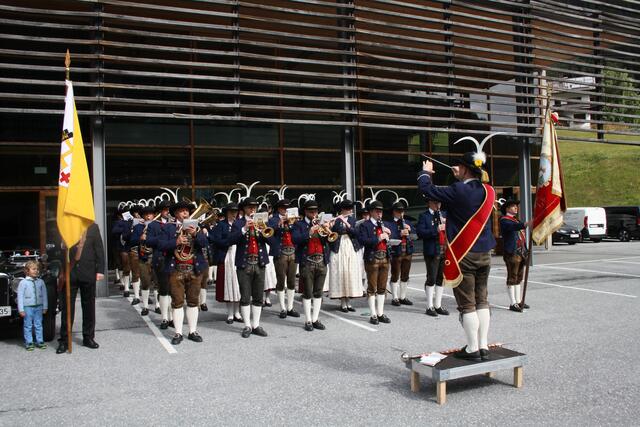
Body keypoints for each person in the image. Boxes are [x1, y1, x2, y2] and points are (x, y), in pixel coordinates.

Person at [418, 147, 496, 361]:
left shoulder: (457, 190)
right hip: (484, 253)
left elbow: (427, 190)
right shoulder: (489, 191)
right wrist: (461, 175)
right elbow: (467, 189)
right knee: (482, 299)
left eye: (460, 167)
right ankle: (482, 345)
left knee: (467, 304)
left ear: (464, 169)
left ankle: (472, 348)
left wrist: (426, 172)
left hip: (465, 254)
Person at [157, 201, 208, 345]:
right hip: (176, 269)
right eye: (181, 211)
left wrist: (196, 234)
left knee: (193, 301)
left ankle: (192, 331)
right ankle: (178, 333)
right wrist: (176, 241)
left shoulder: (196, 226)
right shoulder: (168, 228)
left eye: (187, 211)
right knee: (177, 302)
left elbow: (205, 243)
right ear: (175, 214)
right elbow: (160, 245)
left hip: (194, 269)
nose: (185, 213)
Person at [57, 222, 105, 353]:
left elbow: (99, 249)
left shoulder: (92, 227)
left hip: (88, 271)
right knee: (67, 308)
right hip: (70, 271)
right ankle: (65, 340)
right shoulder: (66, 224)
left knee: (89, 306)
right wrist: (61, 245)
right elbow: (59, 249)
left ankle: (88, 337)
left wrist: (100, 270)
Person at [230, 197, 270, 338]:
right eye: (250, 207)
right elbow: (231, 240)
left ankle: (256, 325)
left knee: (258, 296)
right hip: (244, 263)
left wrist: (263, 229)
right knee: (245, 296)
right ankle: (247, 325)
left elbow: (271, 240)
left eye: (255, 207)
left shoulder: (262, 222)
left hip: (259, 262)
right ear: (244, 209)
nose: (253, 209)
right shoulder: (238, 223)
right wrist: (244, 228)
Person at [292, 199, 331, 331]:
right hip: (307, 261)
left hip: (321, 261)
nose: (314, 213)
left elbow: (329, 241)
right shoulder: (299, 225)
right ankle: (308, 320)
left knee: (318, 292)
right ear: (305, 212)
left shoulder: (321, 224)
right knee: (307, 292)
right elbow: (295, 239)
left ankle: (315, 319)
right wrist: (309, 232)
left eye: (315, 211)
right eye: (311, 211)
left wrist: (327, 229)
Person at [358, 200, 393, 325]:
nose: (380, 214)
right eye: (377, 211)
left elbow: (390, 240)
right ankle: (373, 314)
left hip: (385, 258)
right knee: (372, 287)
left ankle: (380, 313)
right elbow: (362, 240)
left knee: (382, 288)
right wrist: (378, 238)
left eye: (381, 211)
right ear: (371, 212)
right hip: (372, 259)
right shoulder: (365, 225)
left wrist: (389, 235)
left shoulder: (383, 224)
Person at [267, 198, 300, 319]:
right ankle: (282, 308)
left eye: (287, 208)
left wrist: (293, 223)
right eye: (284, 208)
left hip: (293, 252)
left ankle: (290, 307)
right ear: (279, 208)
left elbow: (298, 233)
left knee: (291, 281)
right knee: (281, 280)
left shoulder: (293, 218)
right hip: (280, 253)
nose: (286, 210)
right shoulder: (273, 219)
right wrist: (280, 222)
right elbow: (268, 233)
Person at [211, 202, 243, 324]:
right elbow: (217, 240)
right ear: (227, 213)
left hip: (239, 254)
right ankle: (230, 314)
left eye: (235, 212)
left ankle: (238, 313)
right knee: (228, 285)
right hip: (227, 255)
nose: (234, 214)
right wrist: (229, 240)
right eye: (231, 212)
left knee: (239, 284)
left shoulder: (241, 224)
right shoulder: (221, 225)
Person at [416, 198, 449, 317]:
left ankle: (438, 305)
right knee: (432, 278)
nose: (438, 205)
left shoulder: (444, 214)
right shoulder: (424, 216)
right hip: (431, 251)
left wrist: (447, 224)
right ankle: (429, 306)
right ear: (429, 203)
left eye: (439, 202)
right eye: (435, 202)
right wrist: (435, 230)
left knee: (441, 278)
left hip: (444, 249)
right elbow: (420, 232)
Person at [328, 199, 362, 312]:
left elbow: (356, 234)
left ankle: (349, 302)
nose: (349, 210)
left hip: (351, 247)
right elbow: (330, 235)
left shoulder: (353, 220)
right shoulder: (336, 220)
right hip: (339, 247)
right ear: (342, 209)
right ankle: (343, 302)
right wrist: (330, 225)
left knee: (349, 272)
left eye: (350, 208)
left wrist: (347, 224)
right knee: (341, 272)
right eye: (347, 209)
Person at [145, 201, 173, 328]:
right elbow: (148, 241)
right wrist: (163, 238)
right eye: (165, 210)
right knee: (163, 290)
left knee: (174, 290)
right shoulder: (153, 225)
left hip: (174, 259)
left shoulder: (174, 223)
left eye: (169, 209)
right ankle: (164, 318)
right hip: (161, 259)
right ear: (161, 211)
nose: (167, 212)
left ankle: (173, 317)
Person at [499, 199, 530, 312]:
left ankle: (518, 301)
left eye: (516, 206)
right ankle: (512, 303)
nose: (516, 208)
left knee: (519, 277)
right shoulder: (504, 220)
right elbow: (513, 227)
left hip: (521, 252)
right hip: (512, 252)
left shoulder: (515, 221)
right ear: (507, 209)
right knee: (512, 277)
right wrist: (526, 224)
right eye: (513, 206)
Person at [129, 206, 157, 316]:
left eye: (150, 214)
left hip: (155, 257)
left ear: (154, 215)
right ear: (143, 216)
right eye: (146, 214)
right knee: (145, 282)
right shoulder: (138, 227)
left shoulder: (157, 226)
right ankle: (145, 306)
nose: (148, 216)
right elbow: (132, 241)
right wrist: (140, 237)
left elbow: (161, 240)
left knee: (157, 282)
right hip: (144, 257)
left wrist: (149, 239)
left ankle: (157, 304)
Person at [18, 260, 48, 351]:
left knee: (38, 324)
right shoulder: (23, 282)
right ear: (27, 271)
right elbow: (20, 296)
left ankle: (40, 341)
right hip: (27, 307)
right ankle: (29, 342)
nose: (36, 271)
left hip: (39, 306)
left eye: (37, 269)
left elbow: (44, 295)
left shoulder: (41, 282)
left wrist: (45, 306)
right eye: (33, 269)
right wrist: (21, 309)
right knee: (28, 325)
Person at [389, 201, 415, 307]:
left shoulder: (407, 222)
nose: (400, 213)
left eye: (402, 211)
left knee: (405, 275)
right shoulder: (389, 223)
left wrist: (410, 230)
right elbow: (389, 236)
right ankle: (395, 297)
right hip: (397, 252)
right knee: (395, 275)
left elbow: (416, 235)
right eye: (398, 211)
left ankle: (403, 297)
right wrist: (398, 233)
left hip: (407, 251)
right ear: (394, 212)